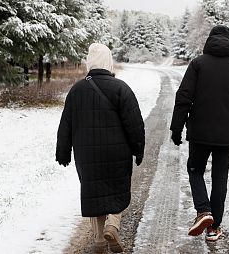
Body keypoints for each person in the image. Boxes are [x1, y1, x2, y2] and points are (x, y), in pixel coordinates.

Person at [56, 43, 145, 253]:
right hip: (117, 152)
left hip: (87, 154)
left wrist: (63, 151)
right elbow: (134, 123)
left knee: (95, 192)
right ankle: (112, 226)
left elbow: (65, 124)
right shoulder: (121, 88)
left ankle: (98, 240)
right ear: (109, 62)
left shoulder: (76, 90)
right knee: (117, 189)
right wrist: (138, 149)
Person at [170, 25, 229, 241]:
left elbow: (183, 97)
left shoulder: (198, 64)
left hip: (199, 131)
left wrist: (176, 127)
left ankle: (203, 211)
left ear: (209, 41)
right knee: (220, 178)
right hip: (227, 135)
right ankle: (213, 228)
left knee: (195, 169)